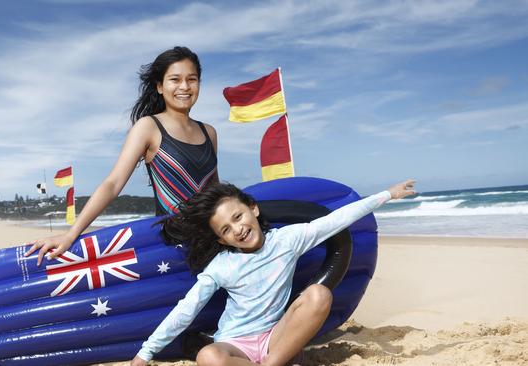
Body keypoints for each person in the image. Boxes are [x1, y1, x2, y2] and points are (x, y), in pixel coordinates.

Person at [131, 179, 416, 366]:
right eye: (226, 230)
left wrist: (387, 195)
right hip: (236, 346)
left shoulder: (288, 240)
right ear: (221, 240)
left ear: (253, 209)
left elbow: (335, 220)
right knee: (208, 356)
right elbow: (186, 310)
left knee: (318, 294)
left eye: (238, 217)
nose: (238, 229)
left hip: (276, 339)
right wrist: (145, 353)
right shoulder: (221, 267)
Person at [25, 46, 219, 265]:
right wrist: (72, 234)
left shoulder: (209, 132)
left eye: (192, 79)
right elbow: (113, 183)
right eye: (175, 79)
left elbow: (214, 189)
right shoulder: (149, 127)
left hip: (213, 238)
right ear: (159, 87)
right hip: (174, 245)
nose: (184, 86)